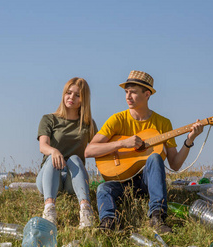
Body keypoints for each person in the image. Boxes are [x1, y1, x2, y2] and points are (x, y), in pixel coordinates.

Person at [84, 70, 204, 234]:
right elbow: (89, 150)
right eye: (126, 92)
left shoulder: (162, 123)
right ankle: (108, 222)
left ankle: (157, 217)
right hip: (121, 182)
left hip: (148, 182)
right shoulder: (117, 119)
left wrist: (190, 140)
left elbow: (175, 164)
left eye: (133, 92)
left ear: (147, 94)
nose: (128, 96)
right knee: (103, 188)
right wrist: (123, 143)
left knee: (155, 157)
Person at [36, 77, 98, 228]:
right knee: (52, 157)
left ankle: (85, 210)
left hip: (73, 180)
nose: (71, 97)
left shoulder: (88, 124)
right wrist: (54, 150)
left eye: (77, 95)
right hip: (49, 177)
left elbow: (98, 148)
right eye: (68, 93)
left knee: (76, 159)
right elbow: (43, 146)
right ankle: (49, 210)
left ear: (83, 100)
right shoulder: (49, 119)